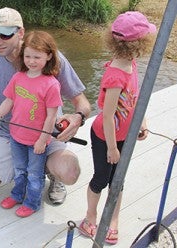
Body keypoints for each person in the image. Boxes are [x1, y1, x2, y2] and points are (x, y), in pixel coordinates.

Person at [0, 7, 91, 205]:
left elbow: (82, 102)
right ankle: (22, 168)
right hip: (10, 134)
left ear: (21, 32)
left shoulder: (49, 58)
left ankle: (50, 174)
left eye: (5, 35)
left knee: (70, 172)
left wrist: (78, 118)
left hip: (47, 135)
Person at [78, 11, 155, 245]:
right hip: (105, 136)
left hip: (124, 135)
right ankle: (90, 217)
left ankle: (113, 220)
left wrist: (141, 122)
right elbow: (109, 115)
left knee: (118, 180)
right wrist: (111, 148)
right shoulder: (114, 76)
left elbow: (135, 97)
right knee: (101, 178)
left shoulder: (130, 65)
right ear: (137, 43)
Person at [0, 30, 63, 217]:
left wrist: (42, 140)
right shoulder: (18, 77)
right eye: (27, 56)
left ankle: (32, 202)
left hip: (37, 141)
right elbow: (8, 102)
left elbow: (51, 117)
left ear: (49, 56)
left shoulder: (51, 84)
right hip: (16, 136)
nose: (31, 61)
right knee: (20, 170)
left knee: (35, 175)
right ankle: (17, 194)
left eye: (37, 57)